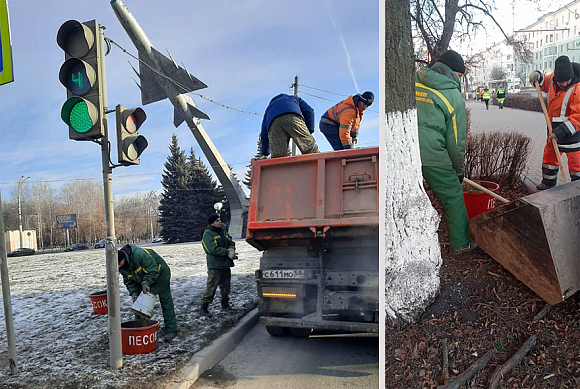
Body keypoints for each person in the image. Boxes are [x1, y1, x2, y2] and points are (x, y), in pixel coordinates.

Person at [415, 49, 476, 254]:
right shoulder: (452, 95)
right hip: (433, 155)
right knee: (453, 196)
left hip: (407, 152)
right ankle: (461, 244)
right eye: (461, 76)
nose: (460, 80)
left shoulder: (413, 79)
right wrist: (458, 171)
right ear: (455, 74)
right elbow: (456, 141)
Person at [529, 55, 580, 190]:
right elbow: (544, 82)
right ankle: (548, 184)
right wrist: (537, 76)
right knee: (550, 159)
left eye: (566, 81)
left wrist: (562, 131)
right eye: (560, 81)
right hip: (553, 132)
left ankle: (577, 188)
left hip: (572, 134)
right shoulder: (553, 80)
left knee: (576, 163)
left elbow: (577, 117)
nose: (563, 84)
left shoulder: (578, 88)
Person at [118, 244, 177, 341]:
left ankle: (171, 329)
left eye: (119, 263)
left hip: (161, 273)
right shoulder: (122, 266)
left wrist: (146, 282)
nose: (118, 266)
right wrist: (134, 292)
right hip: (143, 279)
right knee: (139, 303)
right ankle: (139, 328)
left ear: (123, 258)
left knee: (165, 301)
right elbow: (129, 280)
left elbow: (153, 270)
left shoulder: (139, 255)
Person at [260, 94, 319, 158]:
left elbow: (264, 134)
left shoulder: (269, 108)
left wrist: (265, 153)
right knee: (310, 148)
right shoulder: (294, 99)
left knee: (278, 158)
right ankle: (320, 166)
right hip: (293, 117)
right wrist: (309, 130)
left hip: (274, 123)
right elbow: (309, 110)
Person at [200, 214, 237, 316]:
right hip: (215, 265)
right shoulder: (208, 234)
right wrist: (226, 252)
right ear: (212, 223)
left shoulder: (222, 232)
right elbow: (211, 249)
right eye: (217, 220)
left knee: (226, 286)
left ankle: (225, 304)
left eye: (220, 220)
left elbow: (231, 242)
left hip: (225, 264)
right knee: (211, 286)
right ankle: (204, 308)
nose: (219, 222)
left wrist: (231, 249)